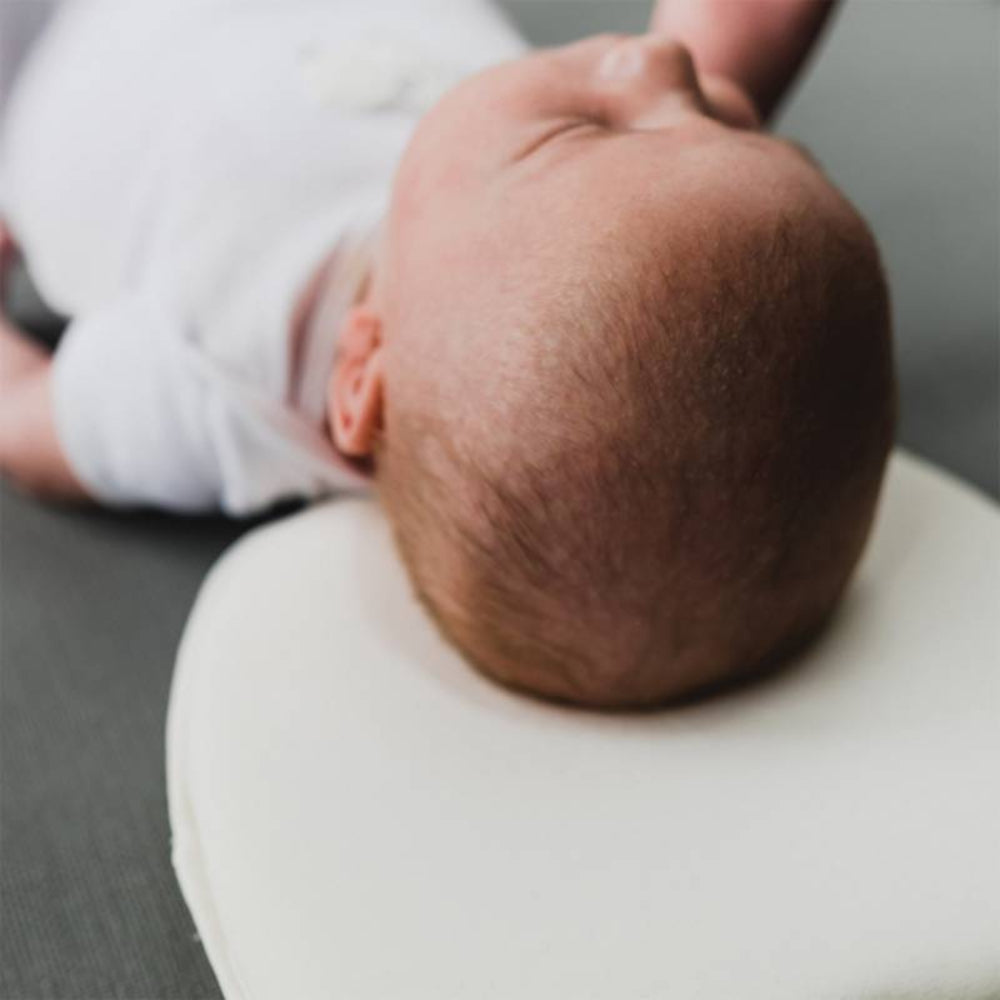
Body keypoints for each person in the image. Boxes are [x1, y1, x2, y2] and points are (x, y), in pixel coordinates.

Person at [0, 0, 895, 707]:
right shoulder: (534, 265)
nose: (652, 63)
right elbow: (688, 235)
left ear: (362, 377)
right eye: (735, 128)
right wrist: (727, 74)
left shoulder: (216, 379)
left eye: (581, 130)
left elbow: (27, 417)